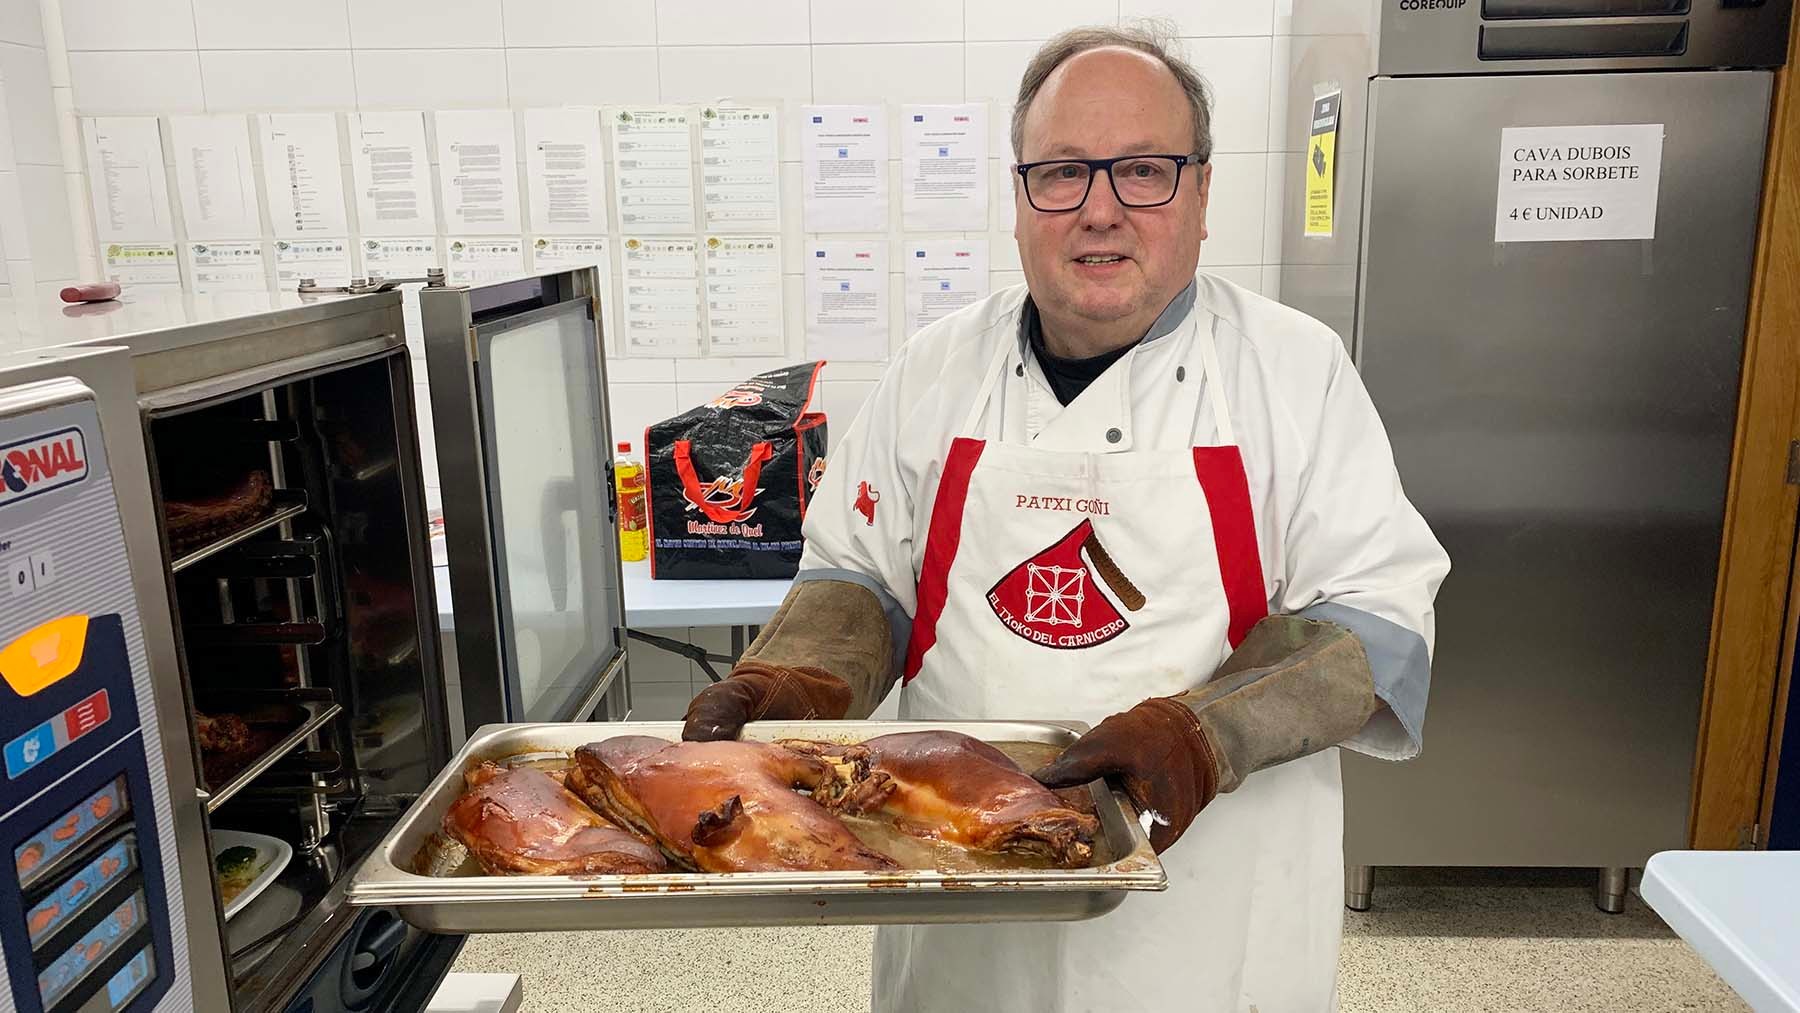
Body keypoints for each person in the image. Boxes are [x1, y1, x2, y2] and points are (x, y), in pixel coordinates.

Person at [682, 22, 1450, 1012]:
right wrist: (793, 680)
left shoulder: (1295, 375)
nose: (1101, 211)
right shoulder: (932, 369)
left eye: (1144, 171)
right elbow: (863, 581)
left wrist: (1198, 733)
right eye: (1062, 174)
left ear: (1203, 194)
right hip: (959, 903)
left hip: (1206, 926)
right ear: (1017, 198)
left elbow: (1374, 631)